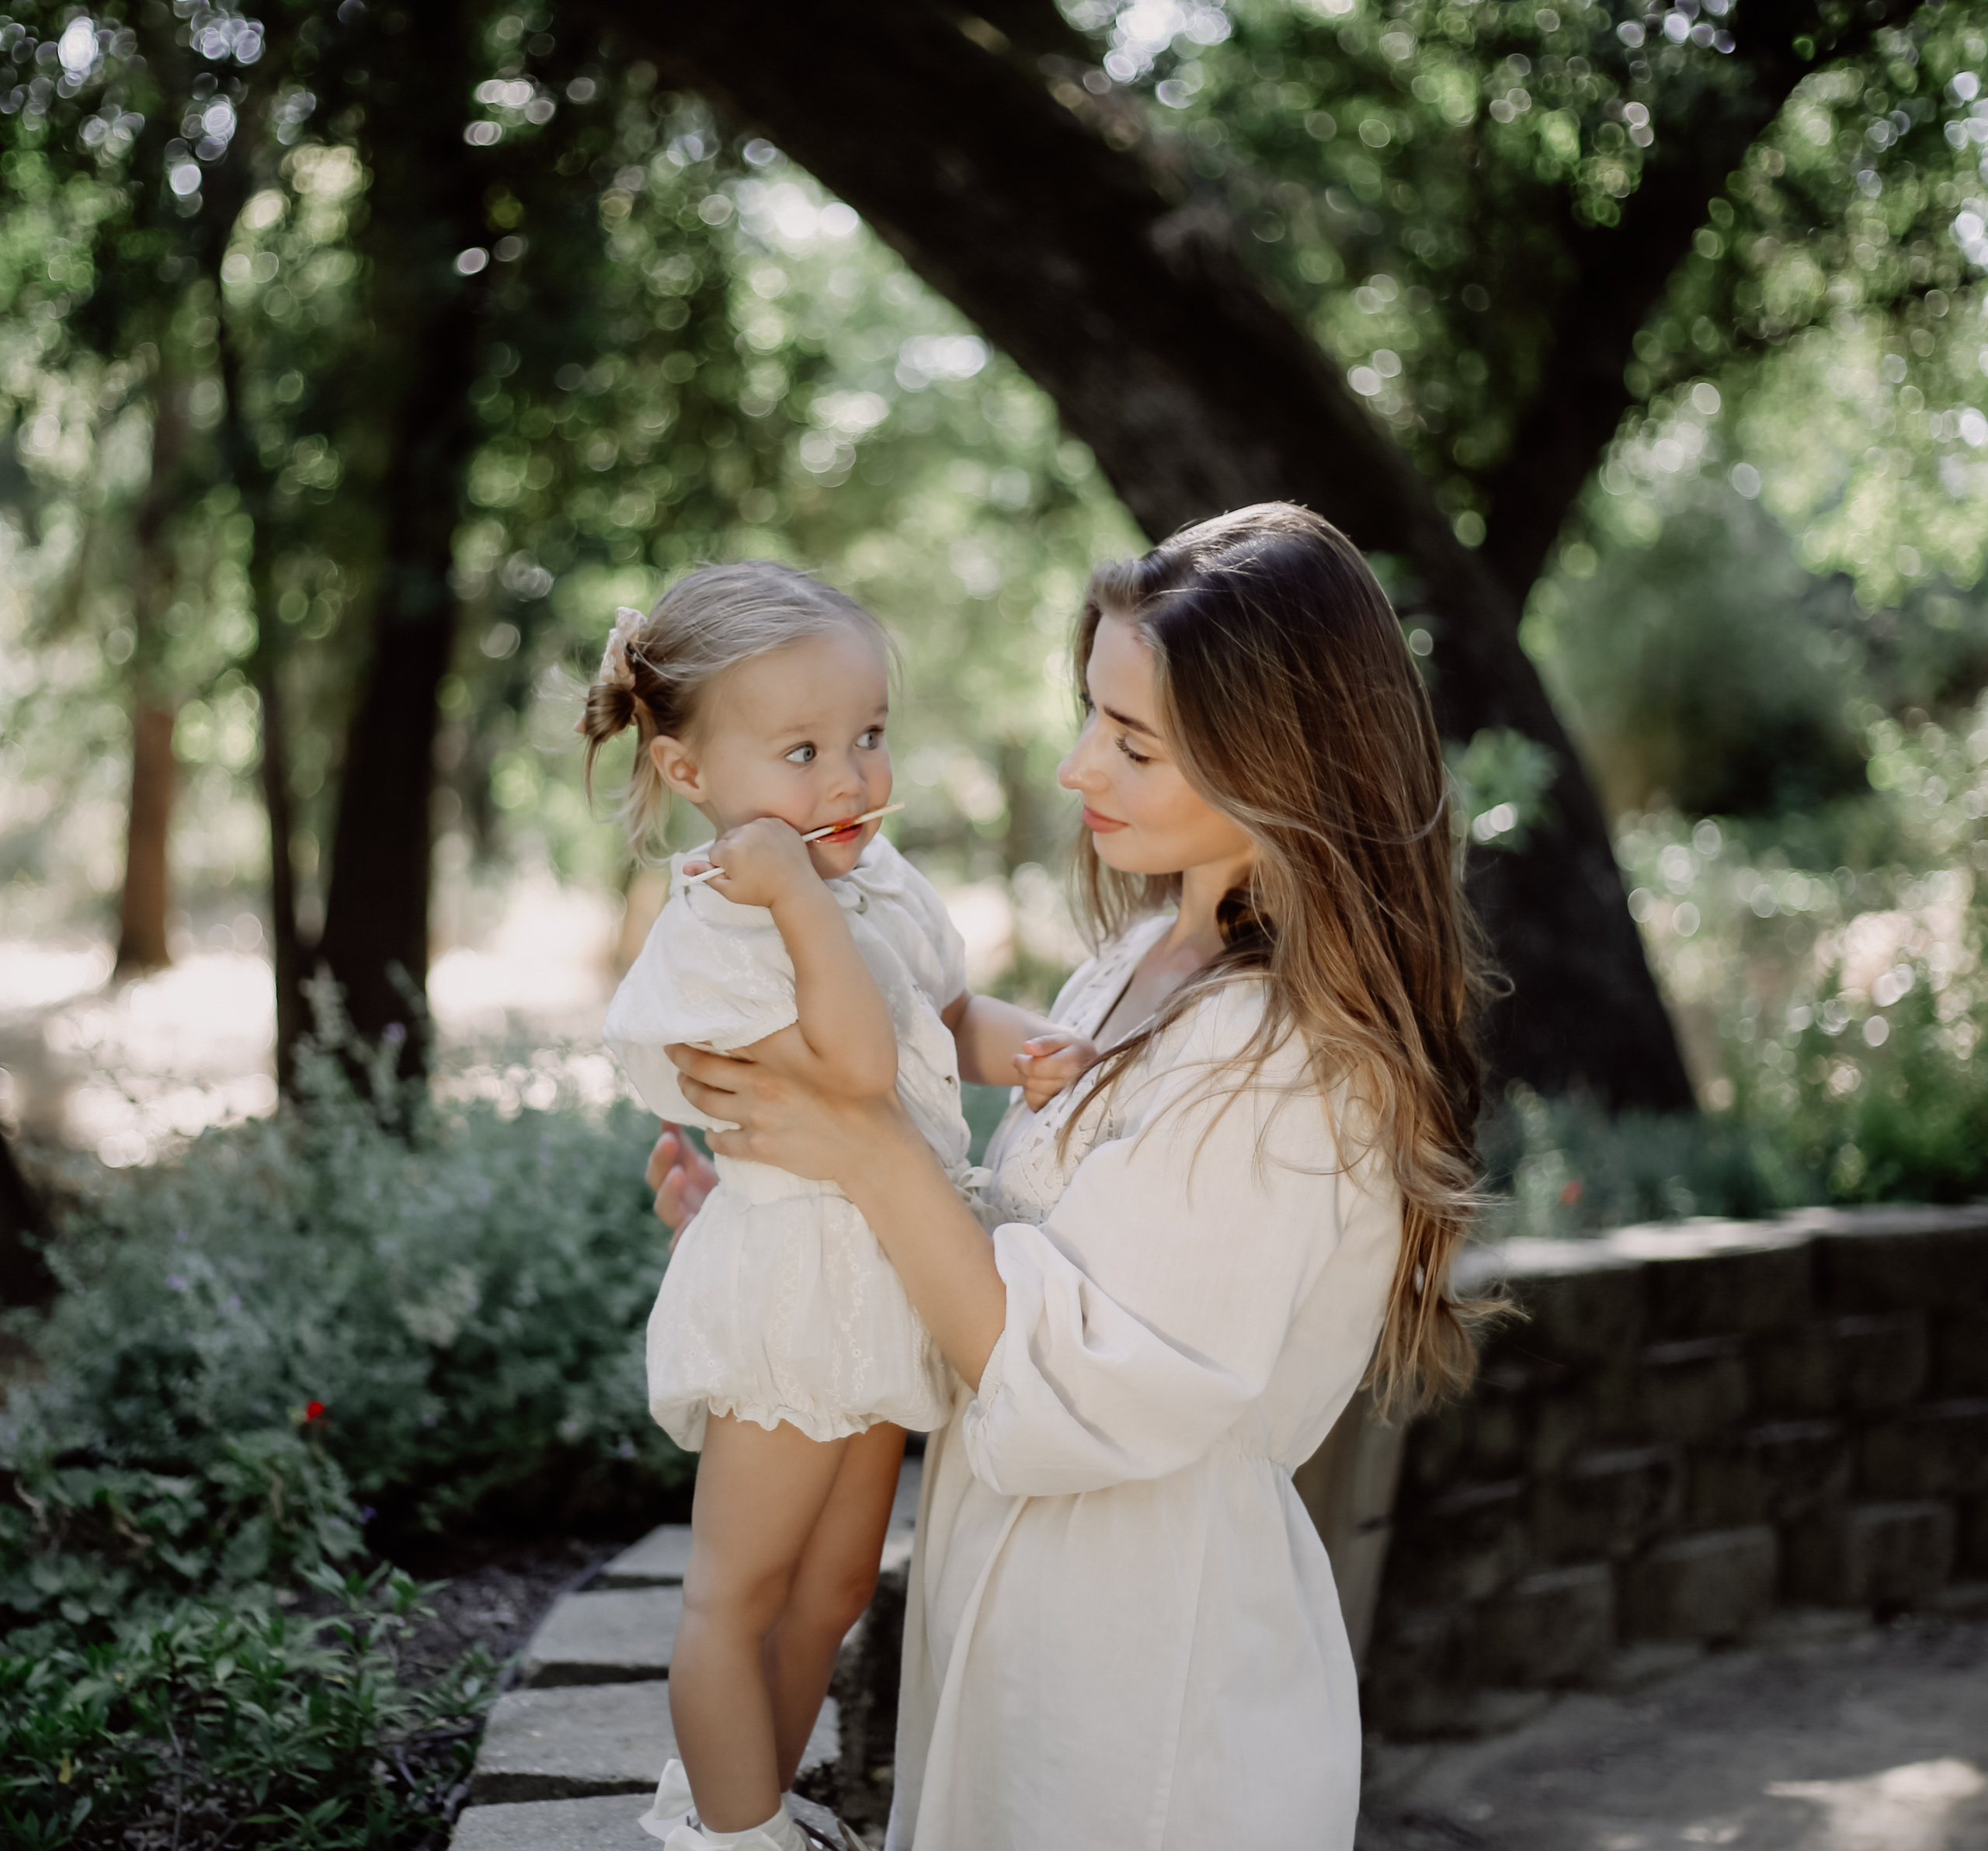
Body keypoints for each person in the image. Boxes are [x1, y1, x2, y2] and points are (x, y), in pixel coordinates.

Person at [648, 505, 1492, 1849]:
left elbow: (1074, 1373)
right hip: (1026, 1618)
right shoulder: (1142, 966)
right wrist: (781, 1218)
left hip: (1146, 1664)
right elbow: (1003, 1254)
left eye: (1132, 741)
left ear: (1280, 762)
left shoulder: (1286, 1058)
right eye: (1091, 713)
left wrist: (861, 1148)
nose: (1071, 764)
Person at [579, 562, 1096, 1851]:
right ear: (691, 772)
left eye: (869, 737)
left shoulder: (872, 883)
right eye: (802, 750)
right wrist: (803, 898)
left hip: (892, 1281)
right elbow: (859, 1070)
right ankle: (728, 1839)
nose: (852, 779)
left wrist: (1044, 1048)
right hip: (789, 1294)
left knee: (833, 1592)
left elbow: (943, 1018)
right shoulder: (727, 922)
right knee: (737, 1591)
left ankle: (744, 1798)